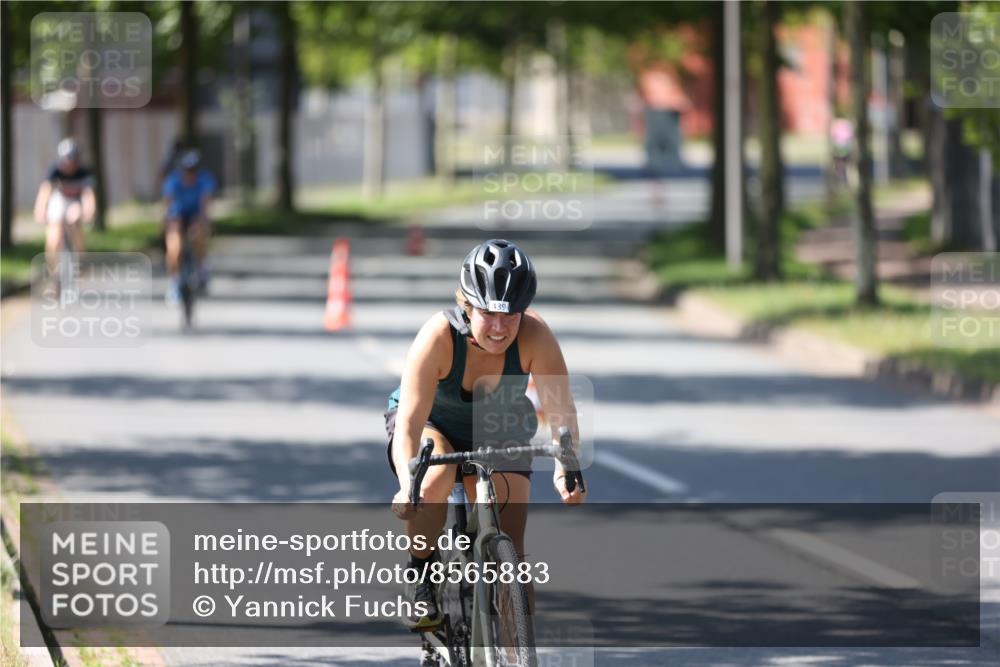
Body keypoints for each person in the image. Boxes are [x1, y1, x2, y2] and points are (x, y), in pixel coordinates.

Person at [386, 239, 587, 630]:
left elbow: (562, 411)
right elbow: (410, 421)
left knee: (512, 543)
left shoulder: (536, 336)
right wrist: (407, 484)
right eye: (487, 314)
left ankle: (518, 647)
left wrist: (568, 467)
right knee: (434, 481)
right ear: (466, 305)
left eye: (510, 315)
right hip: (434, 424)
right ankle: (421, 574)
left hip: (499, 430)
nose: (499, 327)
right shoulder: (438, 337)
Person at [33, 138, 96, 277]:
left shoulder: (84, 172)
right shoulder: (55, 170)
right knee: (54, 237)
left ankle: (80, 258)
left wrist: (89, 211)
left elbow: (88, 196)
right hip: (60, 200)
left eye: (72, 161)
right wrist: (40, 210)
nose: (68, 165)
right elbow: (45, 191)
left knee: (74, 217)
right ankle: (54, 274)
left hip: (75, 202)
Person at [162, 149, 216, 302]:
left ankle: (202, 269)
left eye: (193, 171)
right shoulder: (173, 181)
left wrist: (202, 223)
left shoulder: (204, 180)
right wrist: (169, 224)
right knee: (174, 248)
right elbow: (168, 205)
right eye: (187, 171)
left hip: (195, 216)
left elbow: (205, 206)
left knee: (197, 236)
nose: (190, 174)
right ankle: (174, 282)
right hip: (177, 216)